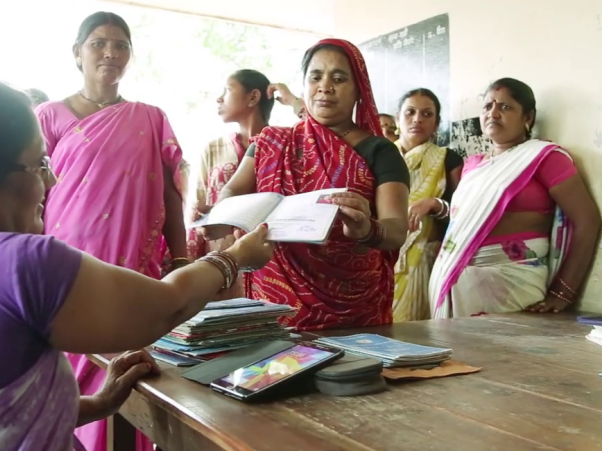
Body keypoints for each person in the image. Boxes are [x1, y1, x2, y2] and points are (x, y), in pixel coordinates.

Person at [0, 73, 273, 451]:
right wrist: (235, 257)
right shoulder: (21, 264)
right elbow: (167, 306)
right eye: (38, 165)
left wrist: (99, 403)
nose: (53, 180)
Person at [35, 12, 188, 451]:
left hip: (134, 272)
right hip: (65, 275)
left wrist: (181, 257)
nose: (109, 53)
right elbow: (33, 194)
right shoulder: (48, 116)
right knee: (68, 378)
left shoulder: (150, 118)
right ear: (77, 52)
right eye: (98, 43)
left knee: (130, 375)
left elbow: (170, 194)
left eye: (120, 45)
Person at [199, 39, 410, 330]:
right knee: (275, 374)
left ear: (359, 89)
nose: (325, 86)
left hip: (353, 307)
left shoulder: (379, 151)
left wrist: (367, 229)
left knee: (348, 376)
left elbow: (397, 229)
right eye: (315, 77)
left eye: (339, 78)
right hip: (275, 303)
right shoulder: (271, 142)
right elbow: (234, 190)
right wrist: (222, 216)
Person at [429, 78, 600, 318]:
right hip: (455, 283)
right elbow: (466, 219)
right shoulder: (472, 166)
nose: (494, 113)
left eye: (505, 107)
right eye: (487, 106)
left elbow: (587, 220)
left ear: (528, 118)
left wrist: (563, 292)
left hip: (513, 285)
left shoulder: (544, 158)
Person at [184, 69, 274, 299]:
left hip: (272, 266)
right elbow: (199, 204)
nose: (219, 98)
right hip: (223, 264)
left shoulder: (281, 146)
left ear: (253, 97)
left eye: (227, 89)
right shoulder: (213, 150)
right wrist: (192, 263)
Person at [391, 88, 464, 322]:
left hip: (426, 259)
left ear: (436, 123)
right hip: (381, 257)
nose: (417, 119)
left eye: (427, 114)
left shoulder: (447, 158)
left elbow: (463, 212)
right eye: (410, 112)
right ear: (397, 118)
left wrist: (435, 204)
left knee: (418, 330)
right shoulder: (380, 155)